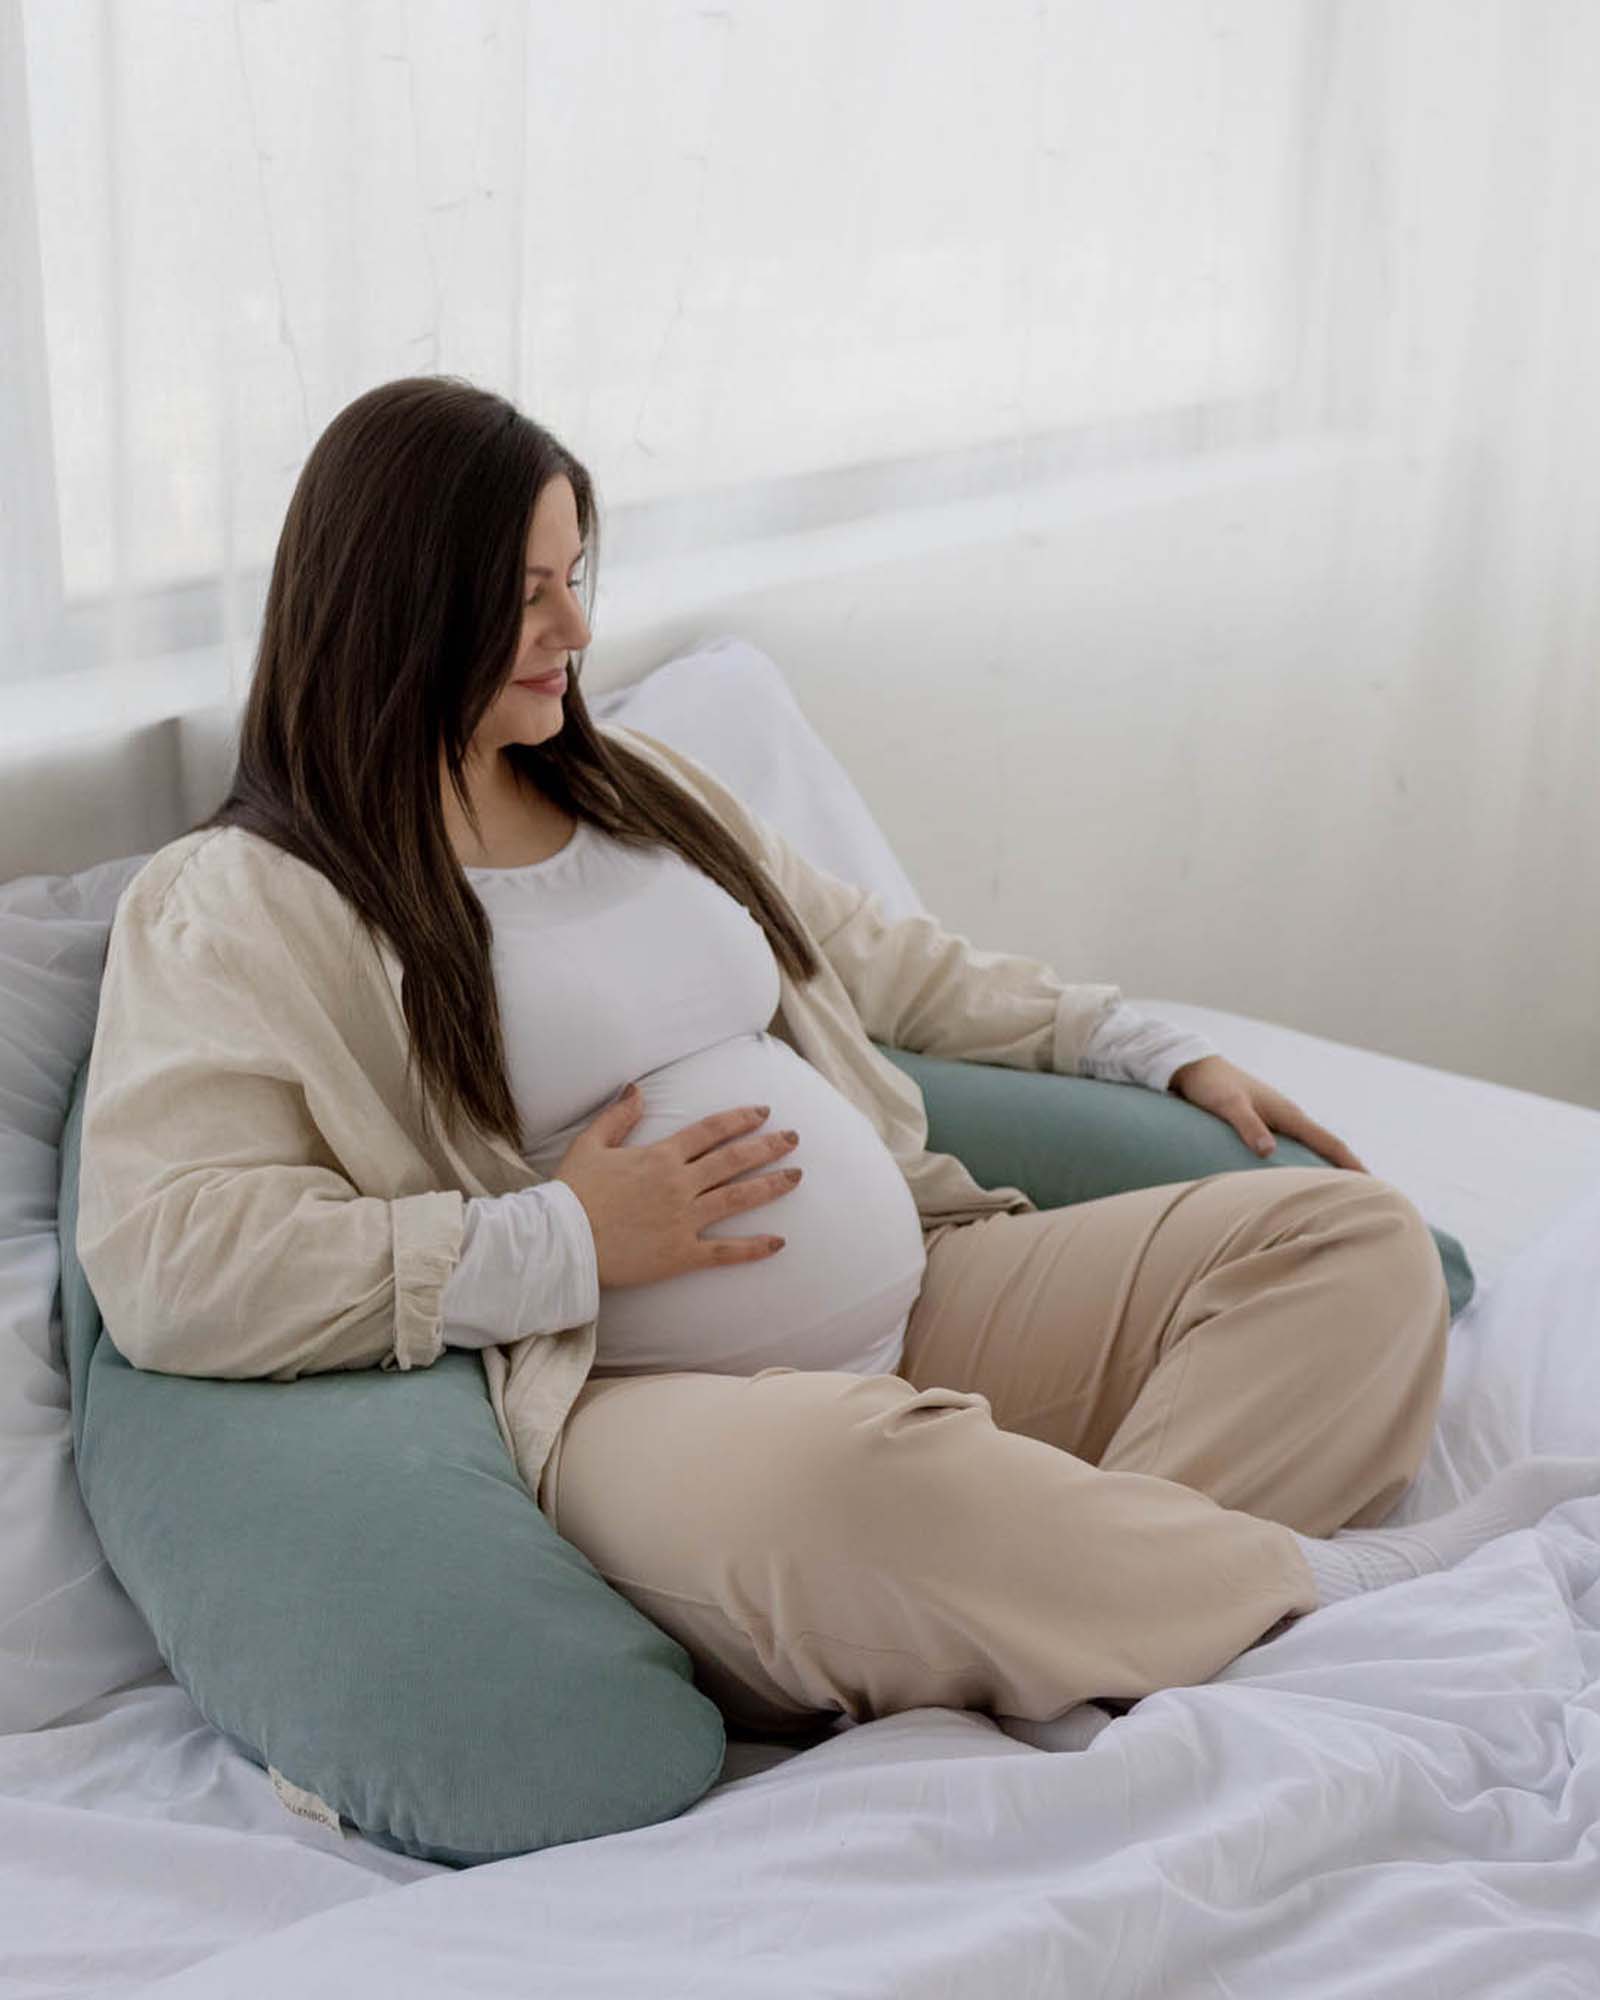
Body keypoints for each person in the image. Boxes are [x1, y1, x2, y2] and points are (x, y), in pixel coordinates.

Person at [76, 376, 1600, 1748]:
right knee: (861, 1488)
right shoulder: (242, 903)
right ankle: (1280, 1582)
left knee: (1353, 1244)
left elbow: (890, 964)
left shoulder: (635, 787)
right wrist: (563, 1240)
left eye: (574, 580)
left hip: (928, 1298)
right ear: (395, 600)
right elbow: (173, 1261)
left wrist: (1156, 1047)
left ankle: (1102, 1614)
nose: (576, 631)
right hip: (633, 1402)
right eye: (523, 592)